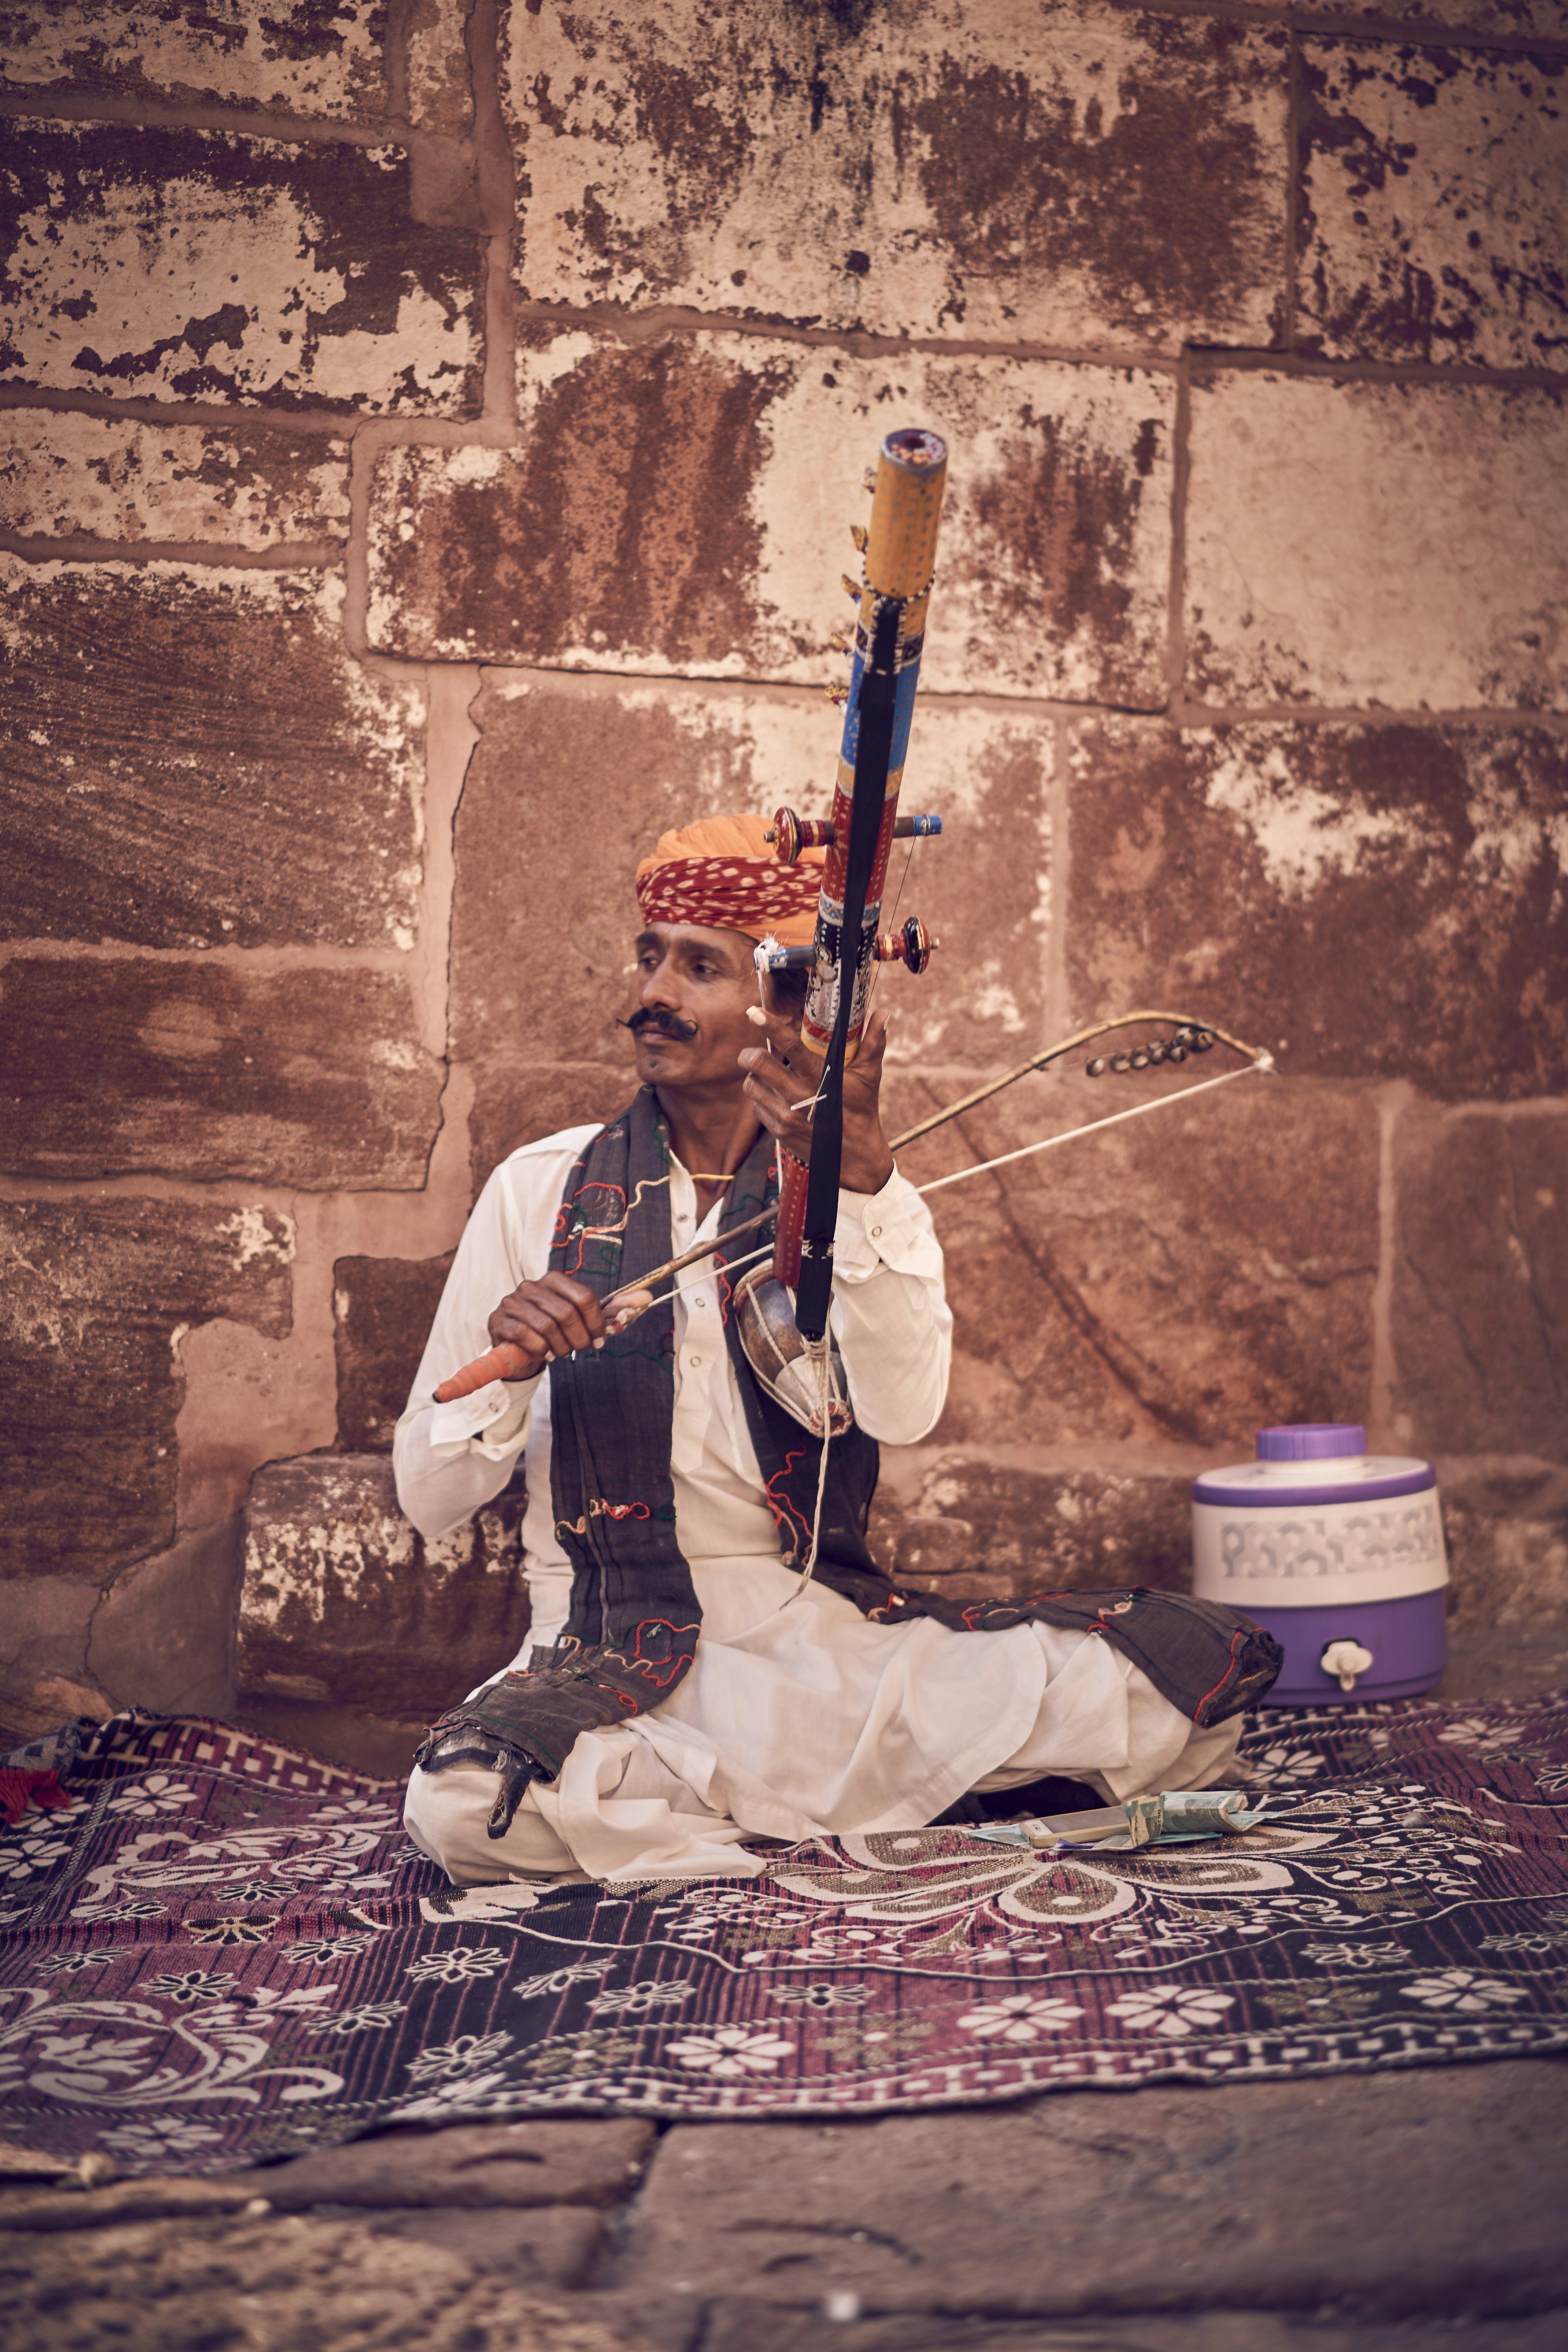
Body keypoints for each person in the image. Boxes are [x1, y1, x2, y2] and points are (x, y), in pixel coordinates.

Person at [396, 814, 1278, 1886]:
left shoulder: (850, 1195)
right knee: (462, 1808)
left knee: (1160, 1687)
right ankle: (833, 1824)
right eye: (648, 957)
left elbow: (906, 1413)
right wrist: (510, 1369)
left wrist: (867, 1191)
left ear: (780, 1004)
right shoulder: (541, 1192)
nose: (650, 996)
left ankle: (740, 1826)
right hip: (607, 1644)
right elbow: (431, 1499)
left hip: (817, 1637)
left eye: (699, 967)